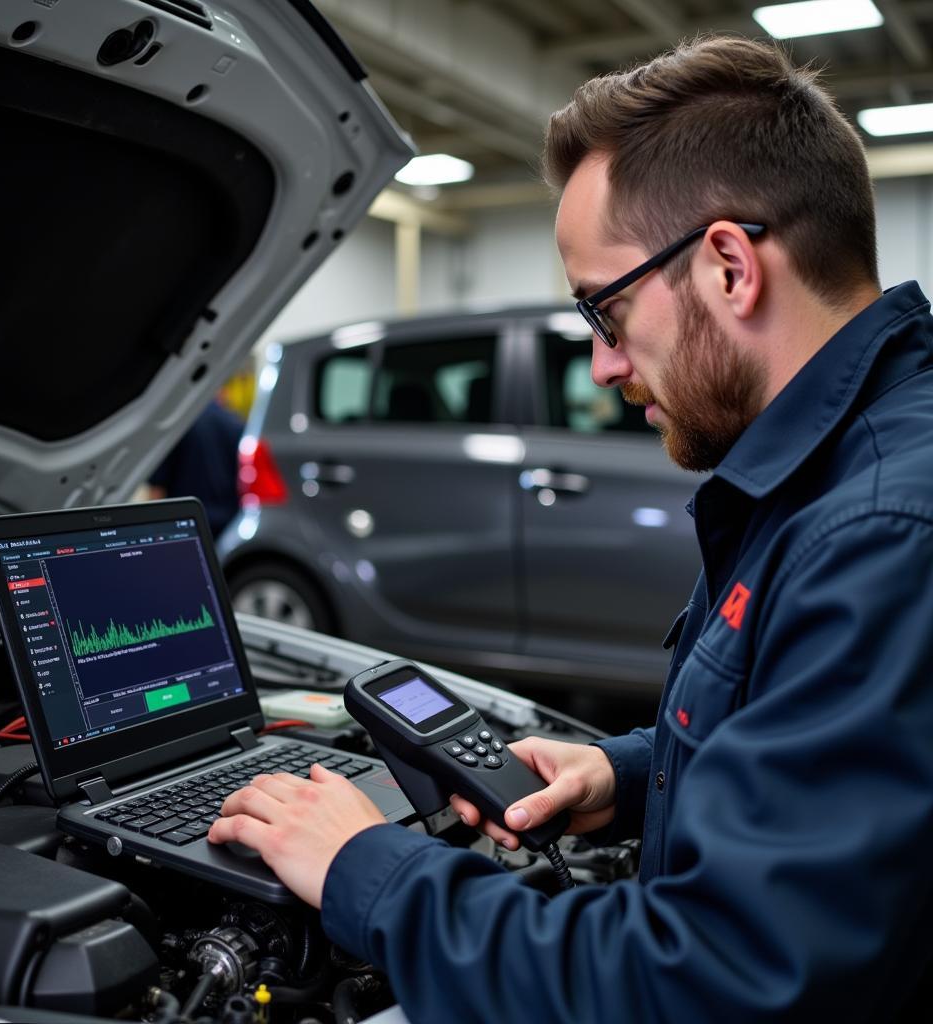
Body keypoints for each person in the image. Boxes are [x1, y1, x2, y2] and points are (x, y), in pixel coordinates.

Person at [207, 35, 933, 1021]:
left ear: (726, 265)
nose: (601, 364)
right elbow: (805, 758)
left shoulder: (879, 532)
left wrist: (368, 870)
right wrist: (629, 775)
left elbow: (715, 983)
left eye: (606, 310)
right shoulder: (843, 470)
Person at [146, 397, 243, 537]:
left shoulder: (177, 424)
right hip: (227, 527)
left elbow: (157, 490)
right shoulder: (235, 423)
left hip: (184, 526)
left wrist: (153, 533)